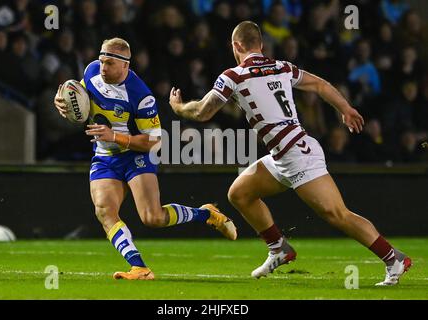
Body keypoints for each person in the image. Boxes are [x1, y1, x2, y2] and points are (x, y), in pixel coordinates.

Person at [169, 21, 411, 286]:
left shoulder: (234, 75)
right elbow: (319, 85)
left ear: (236, 46)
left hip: (297, 154)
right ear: (260, 44)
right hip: (282, 154)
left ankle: (393, 258)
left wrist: (178, 107)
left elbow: (203, 112)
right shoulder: (282, 67)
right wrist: (345, 108)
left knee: (337, 214)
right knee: (240, 193)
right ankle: (278, 249)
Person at [54, 38, 237, 281]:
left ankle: (206, 213)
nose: (103, 68)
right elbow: (77, 95)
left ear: (125, 66)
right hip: (105, 156)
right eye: (101, 61)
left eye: (109, 63)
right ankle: (140, 268)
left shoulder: (141, 96)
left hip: (135, 155)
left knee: (153, 218)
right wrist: (63, 103)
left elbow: (155, 141)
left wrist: (116, 137)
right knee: (104, 211)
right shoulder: (91, 72)